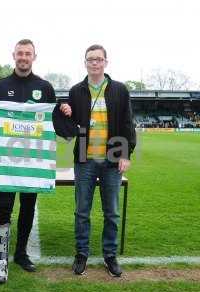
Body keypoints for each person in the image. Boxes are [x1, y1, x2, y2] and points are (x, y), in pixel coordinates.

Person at [0, 39, 60, 283]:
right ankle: (0, 258)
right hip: (6, 163)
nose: (23, 57)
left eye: (28, 54)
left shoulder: (44, 87)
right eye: (20, 53)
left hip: (32, 164)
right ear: (14, 55)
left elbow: (51, 119)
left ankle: (21, 253)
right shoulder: (1, 86)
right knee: (3, 207)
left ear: (34, 57)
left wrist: (65, 112)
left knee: (27, 207)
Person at [59, 44, 136, 277]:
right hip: (85, 159)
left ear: (106, 62)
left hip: (112, 159)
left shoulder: (120, 90)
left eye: (98, 59)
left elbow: (127, 123)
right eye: (91, 59)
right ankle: (81, 254)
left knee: (111, 212)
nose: (95, 63)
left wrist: (125, 154)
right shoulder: (76, 90)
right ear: (85, 63)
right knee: (82, 211)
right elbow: (70, 126)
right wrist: (65, 111)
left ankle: (109, 256)